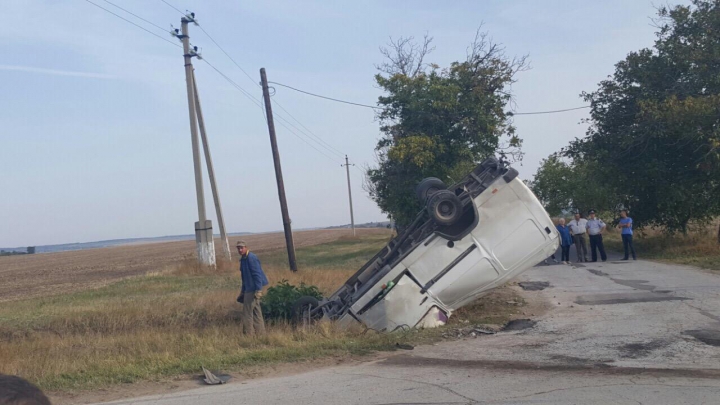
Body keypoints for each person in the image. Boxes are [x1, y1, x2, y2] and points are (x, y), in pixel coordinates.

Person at [236, 240, 268, 335]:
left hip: (253, 289)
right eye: (238, 248)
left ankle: (248, 336)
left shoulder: (251, 258)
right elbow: (244, 277)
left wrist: (259, 290)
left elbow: (257, 275)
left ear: (246, 247)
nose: (240, 250)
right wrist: (243, 291)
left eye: (242, 247)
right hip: (248, 289)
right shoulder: (243, 259)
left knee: (247, 313)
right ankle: (261, 334)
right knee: (256, 312)